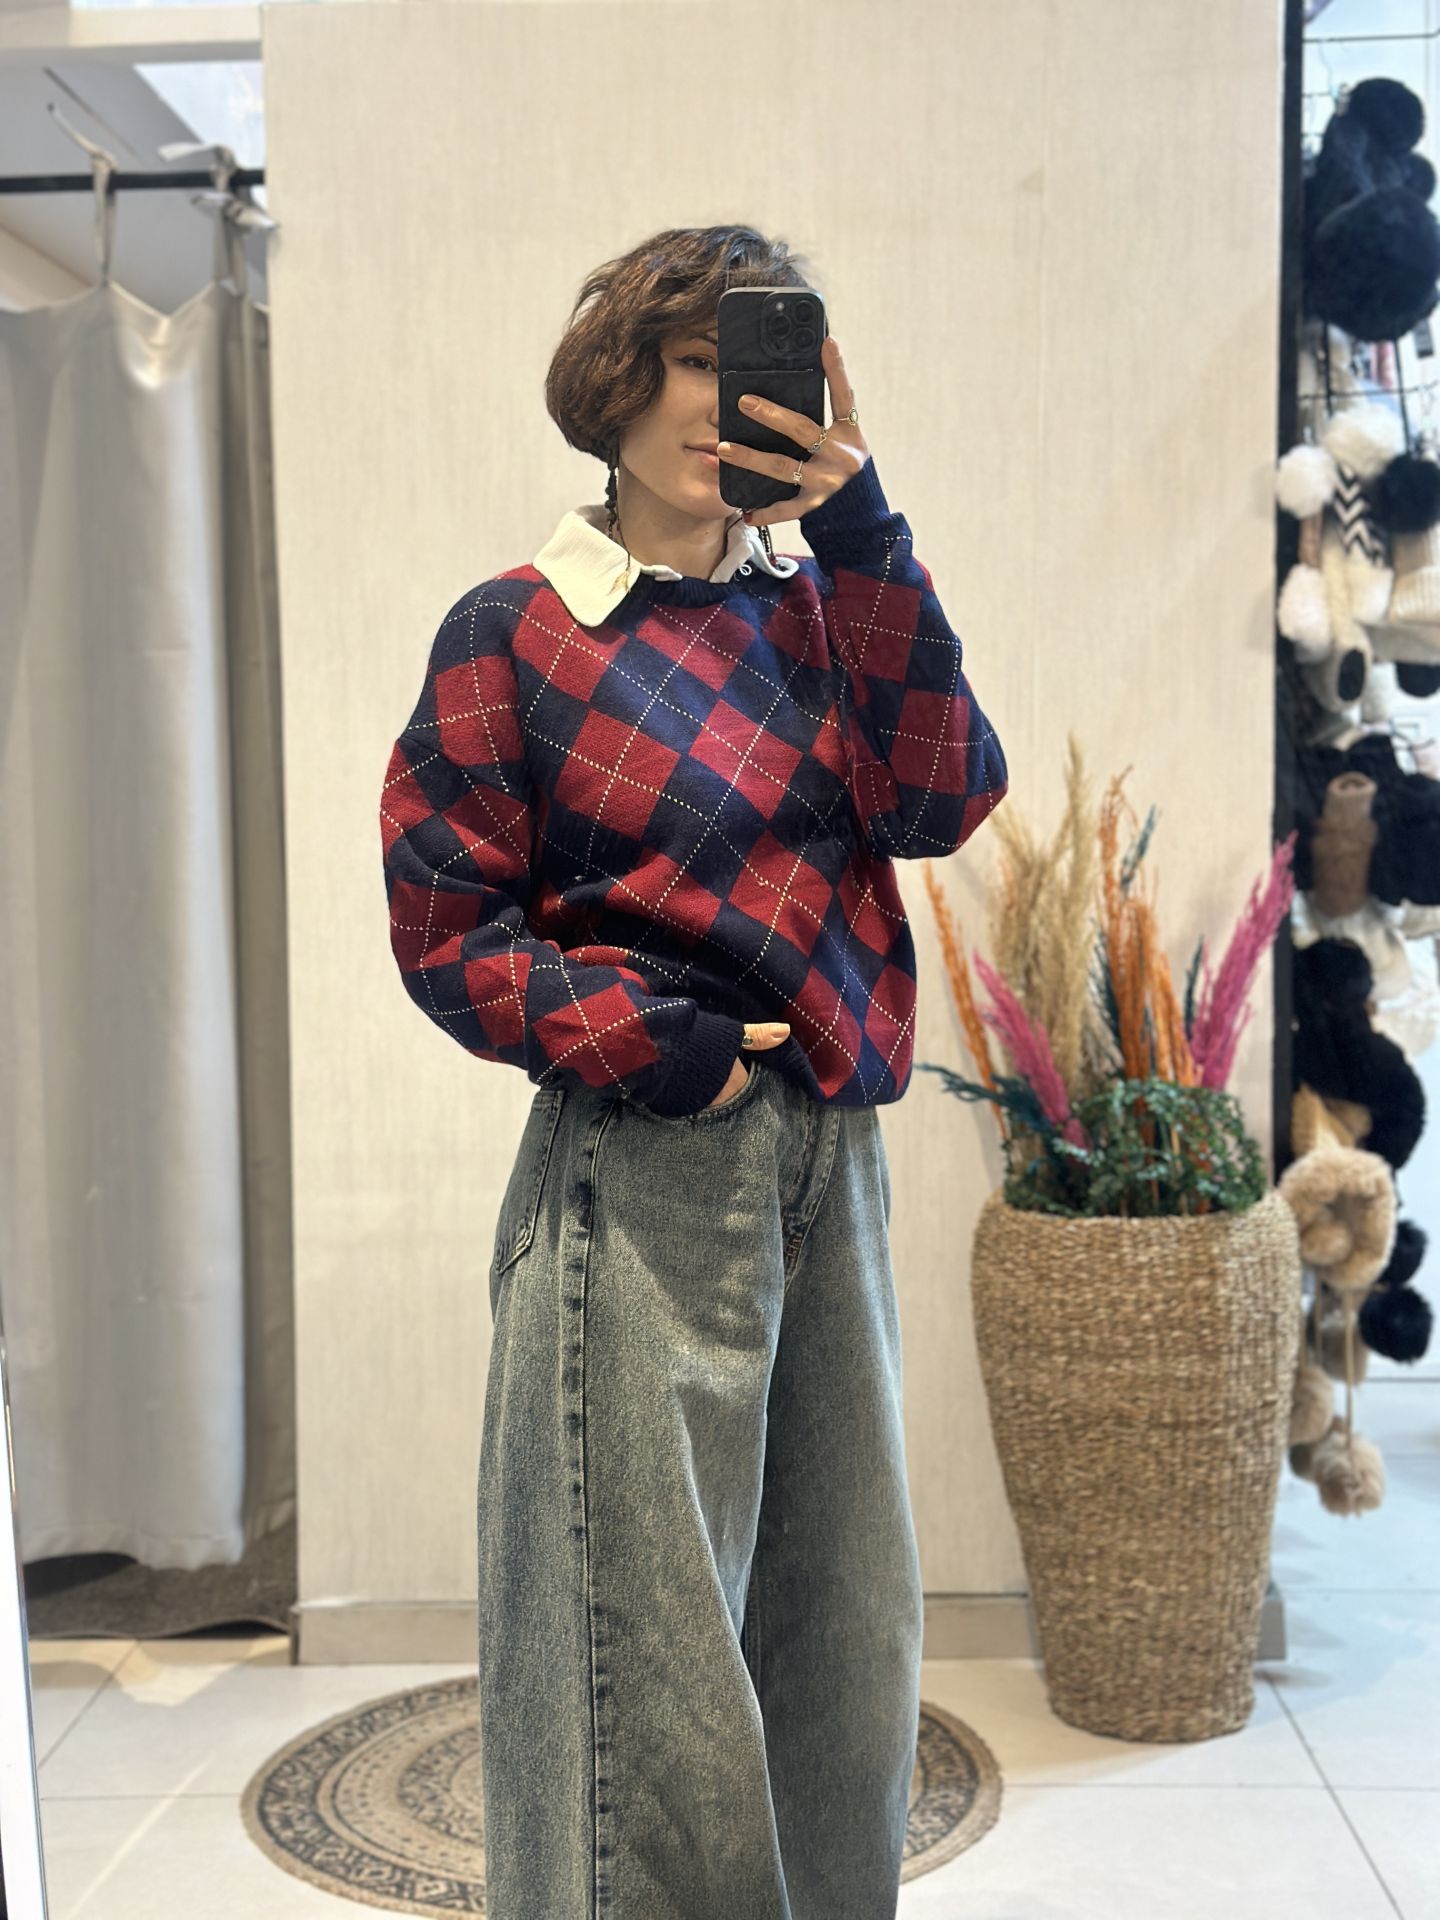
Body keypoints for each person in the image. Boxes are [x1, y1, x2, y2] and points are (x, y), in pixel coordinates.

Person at [379, 224, 1009, 1919]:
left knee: (844, 1649)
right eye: (691, 360)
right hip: (643, 1170)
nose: (720, 405)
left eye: (755, 367)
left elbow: (945, 795)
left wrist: (862, 530)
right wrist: (656, 1046)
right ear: (620, 377)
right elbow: (446, 927)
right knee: (639, 1683)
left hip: (832, 1171)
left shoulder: (822, 605)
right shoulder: (516, 632)